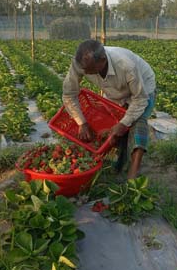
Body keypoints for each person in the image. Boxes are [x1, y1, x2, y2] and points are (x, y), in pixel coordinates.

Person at [62, 39, 156, 180]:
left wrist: (124, 123)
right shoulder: (80, 64)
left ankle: (133, 174)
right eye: (83, 69)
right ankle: (118, 164)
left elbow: (140, 99)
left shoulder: (125, 65)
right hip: (115, 91)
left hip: (142, 90)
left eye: (89, 70)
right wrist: (82, 122)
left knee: (137, 123)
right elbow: (69, 94)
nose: (85, 72)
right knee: (114, 127)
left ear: (103, 60)